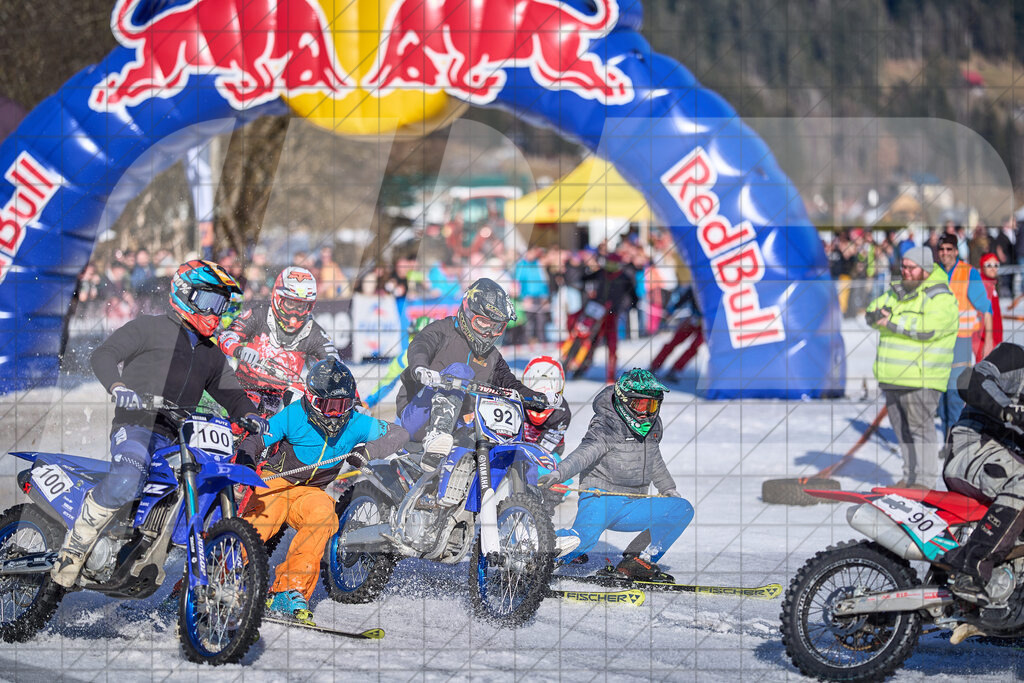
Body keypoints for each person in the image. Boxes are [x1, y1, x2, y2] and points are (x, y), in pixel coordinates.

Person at [51, 260, 269, 587]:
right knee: (128, 477)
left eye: (222, 306)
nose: (217, 313)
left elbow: (233, 396)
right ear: (185, 295)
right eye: (211, 302)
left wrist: (250, 414)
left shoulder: (211, 353)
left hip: (179, 437)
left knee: (198, 485)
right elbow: (104, 355)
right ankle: (75, 547)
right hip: (138, 425)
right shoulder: (149, 327)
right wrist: (119, 388)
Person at [237, 359, 409, 624]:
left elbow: (400, 433)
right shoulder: (294, 414)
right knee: (260, 524)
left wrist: (368, 451)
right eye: (327, 406)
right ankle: (218, 576)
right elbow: (258, 438)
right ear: (311, 399)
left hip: (311, 492)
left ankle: (288, 590)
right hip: (276, 483)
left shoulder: (355, 422)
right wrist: (246, 457)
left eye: (341, 406)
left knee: (324, 516)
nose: (334, 414)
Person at [537, 369, 693, 581]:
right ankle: (536, 555)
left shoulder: (653, 427)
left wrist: (668, 489)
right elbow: (585, 453)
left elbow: (654, 459)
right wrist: (558, 473)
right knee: (583, 541)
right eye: (641, 405)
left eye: (652, 405)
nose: (646, 412)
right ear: (624, 401)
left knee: (681, 509)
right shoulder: (608, 424)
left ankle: (637, 561)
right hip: (600, 498)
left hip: (633, 502)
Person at [395, 278, 555, 474]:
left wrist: (536, 397)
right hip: (418, 414)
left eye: (496, 327)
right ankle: (436, 436)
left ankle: (523, 497)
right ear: (467, 312)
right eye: (482, 323)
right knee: (461, 372)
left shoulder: (493, 357)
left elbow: (510, 383)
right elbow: (421, 343)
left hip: (459, 425)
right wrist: (421, 368)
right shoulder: (443, 330)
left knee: (505, 448)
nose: (488, 333)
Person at [865, 246, 958, 489]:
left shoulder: (940, 296)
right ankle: (909, 478)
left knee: (920, 430)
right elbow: (870, 313)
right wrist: (881, 316)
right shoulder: (898, 292)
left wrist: (892, 321)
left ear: (925, 269)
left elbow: (928, 328)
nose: (904, 271)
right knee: (902, 431)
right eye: (903, 266)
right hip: (892, 376)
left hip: (921, 377)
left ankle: (925, 483)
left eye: (910, 267)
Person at [941, 342, 1024, 607]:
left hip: (1006, 461)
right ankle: (970, 568)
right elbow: (971, 380)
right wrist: (1007, 410)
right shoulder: (1014, 357)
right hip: (973, 449)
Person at [219, 266, 338, 409]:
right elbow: (226, 336)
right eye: (289, 304)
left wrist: (355, 405)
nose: (294, 314)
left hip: (282, 403)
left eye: (301, 306)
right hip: (244, 393)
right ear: (277, 297)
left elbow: (338, 370)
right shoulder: (259, 315)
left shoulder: (315, 333)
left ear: (310, 306)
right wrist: (239, 350)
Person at [936, 233, 994, 436]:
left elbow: (986, 307)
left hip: (961, 341)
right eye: (942, 249)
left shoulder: (968, 273)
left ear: (956, 251)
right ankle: (947, 434)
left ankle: (953, 438)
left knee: (954, 393)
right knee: (941, 393)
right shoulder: (934, 273)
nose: (945, 253)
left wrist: (989, 340)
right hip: (938, 342)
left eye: (949, 249)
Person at [364, 316, 432, 409]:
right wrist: (369, 401)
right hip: (414, 407)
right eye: (416, 336)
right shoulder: (404, 358)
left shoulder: (446, 353)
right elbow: (387, 382)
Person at [649, 286, 703, 383]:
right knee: (674, 342)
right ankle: (654, 366)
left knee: (694, 348)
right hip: (693, 319)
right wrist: (672, 309)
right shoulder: (696, 284)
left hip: (707, 324)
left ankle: (675, 370)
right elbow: (685, 297)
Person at [521, 356, 572, 456]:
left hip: (548, 452)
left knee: (546, 468)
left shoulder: (562, 412)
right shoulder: (516, 400)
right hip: (518, 447)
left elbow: (543, 451)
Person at [974, 253, 1004, 362]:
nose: (993, 268)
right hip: (986, 340)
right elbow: (983, 314)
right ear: (982, 266)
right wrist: (988, 341)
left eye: (996, 265)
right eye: (989, 265)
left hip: (995, 339)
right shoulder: (982, 285)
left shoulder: (991, 284)